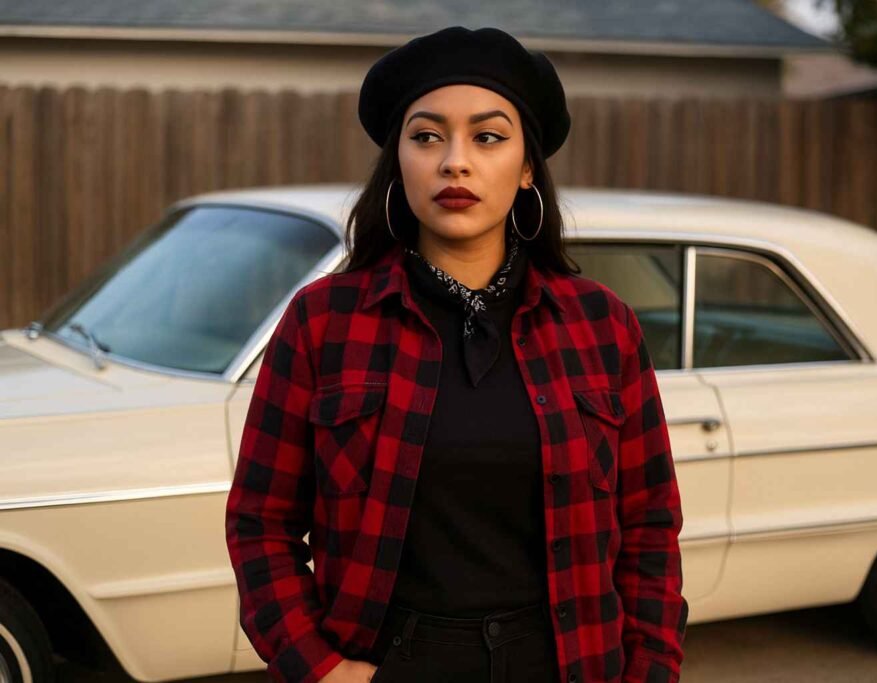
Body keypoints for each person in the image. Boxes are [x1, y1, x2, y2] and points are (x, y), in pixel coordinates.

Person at [225, 25, 687, 683]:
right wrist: (321, 667)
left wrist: (651, 671)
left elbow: (649, 529)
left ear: (527, 166)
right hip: (387, 663)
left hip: (569, 662)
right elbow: (259, 523)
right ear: (399, 159)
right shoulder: (324, 322)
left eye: (488, 136)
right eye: (427, 136)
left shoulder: (601, 325)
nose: (455, 162)